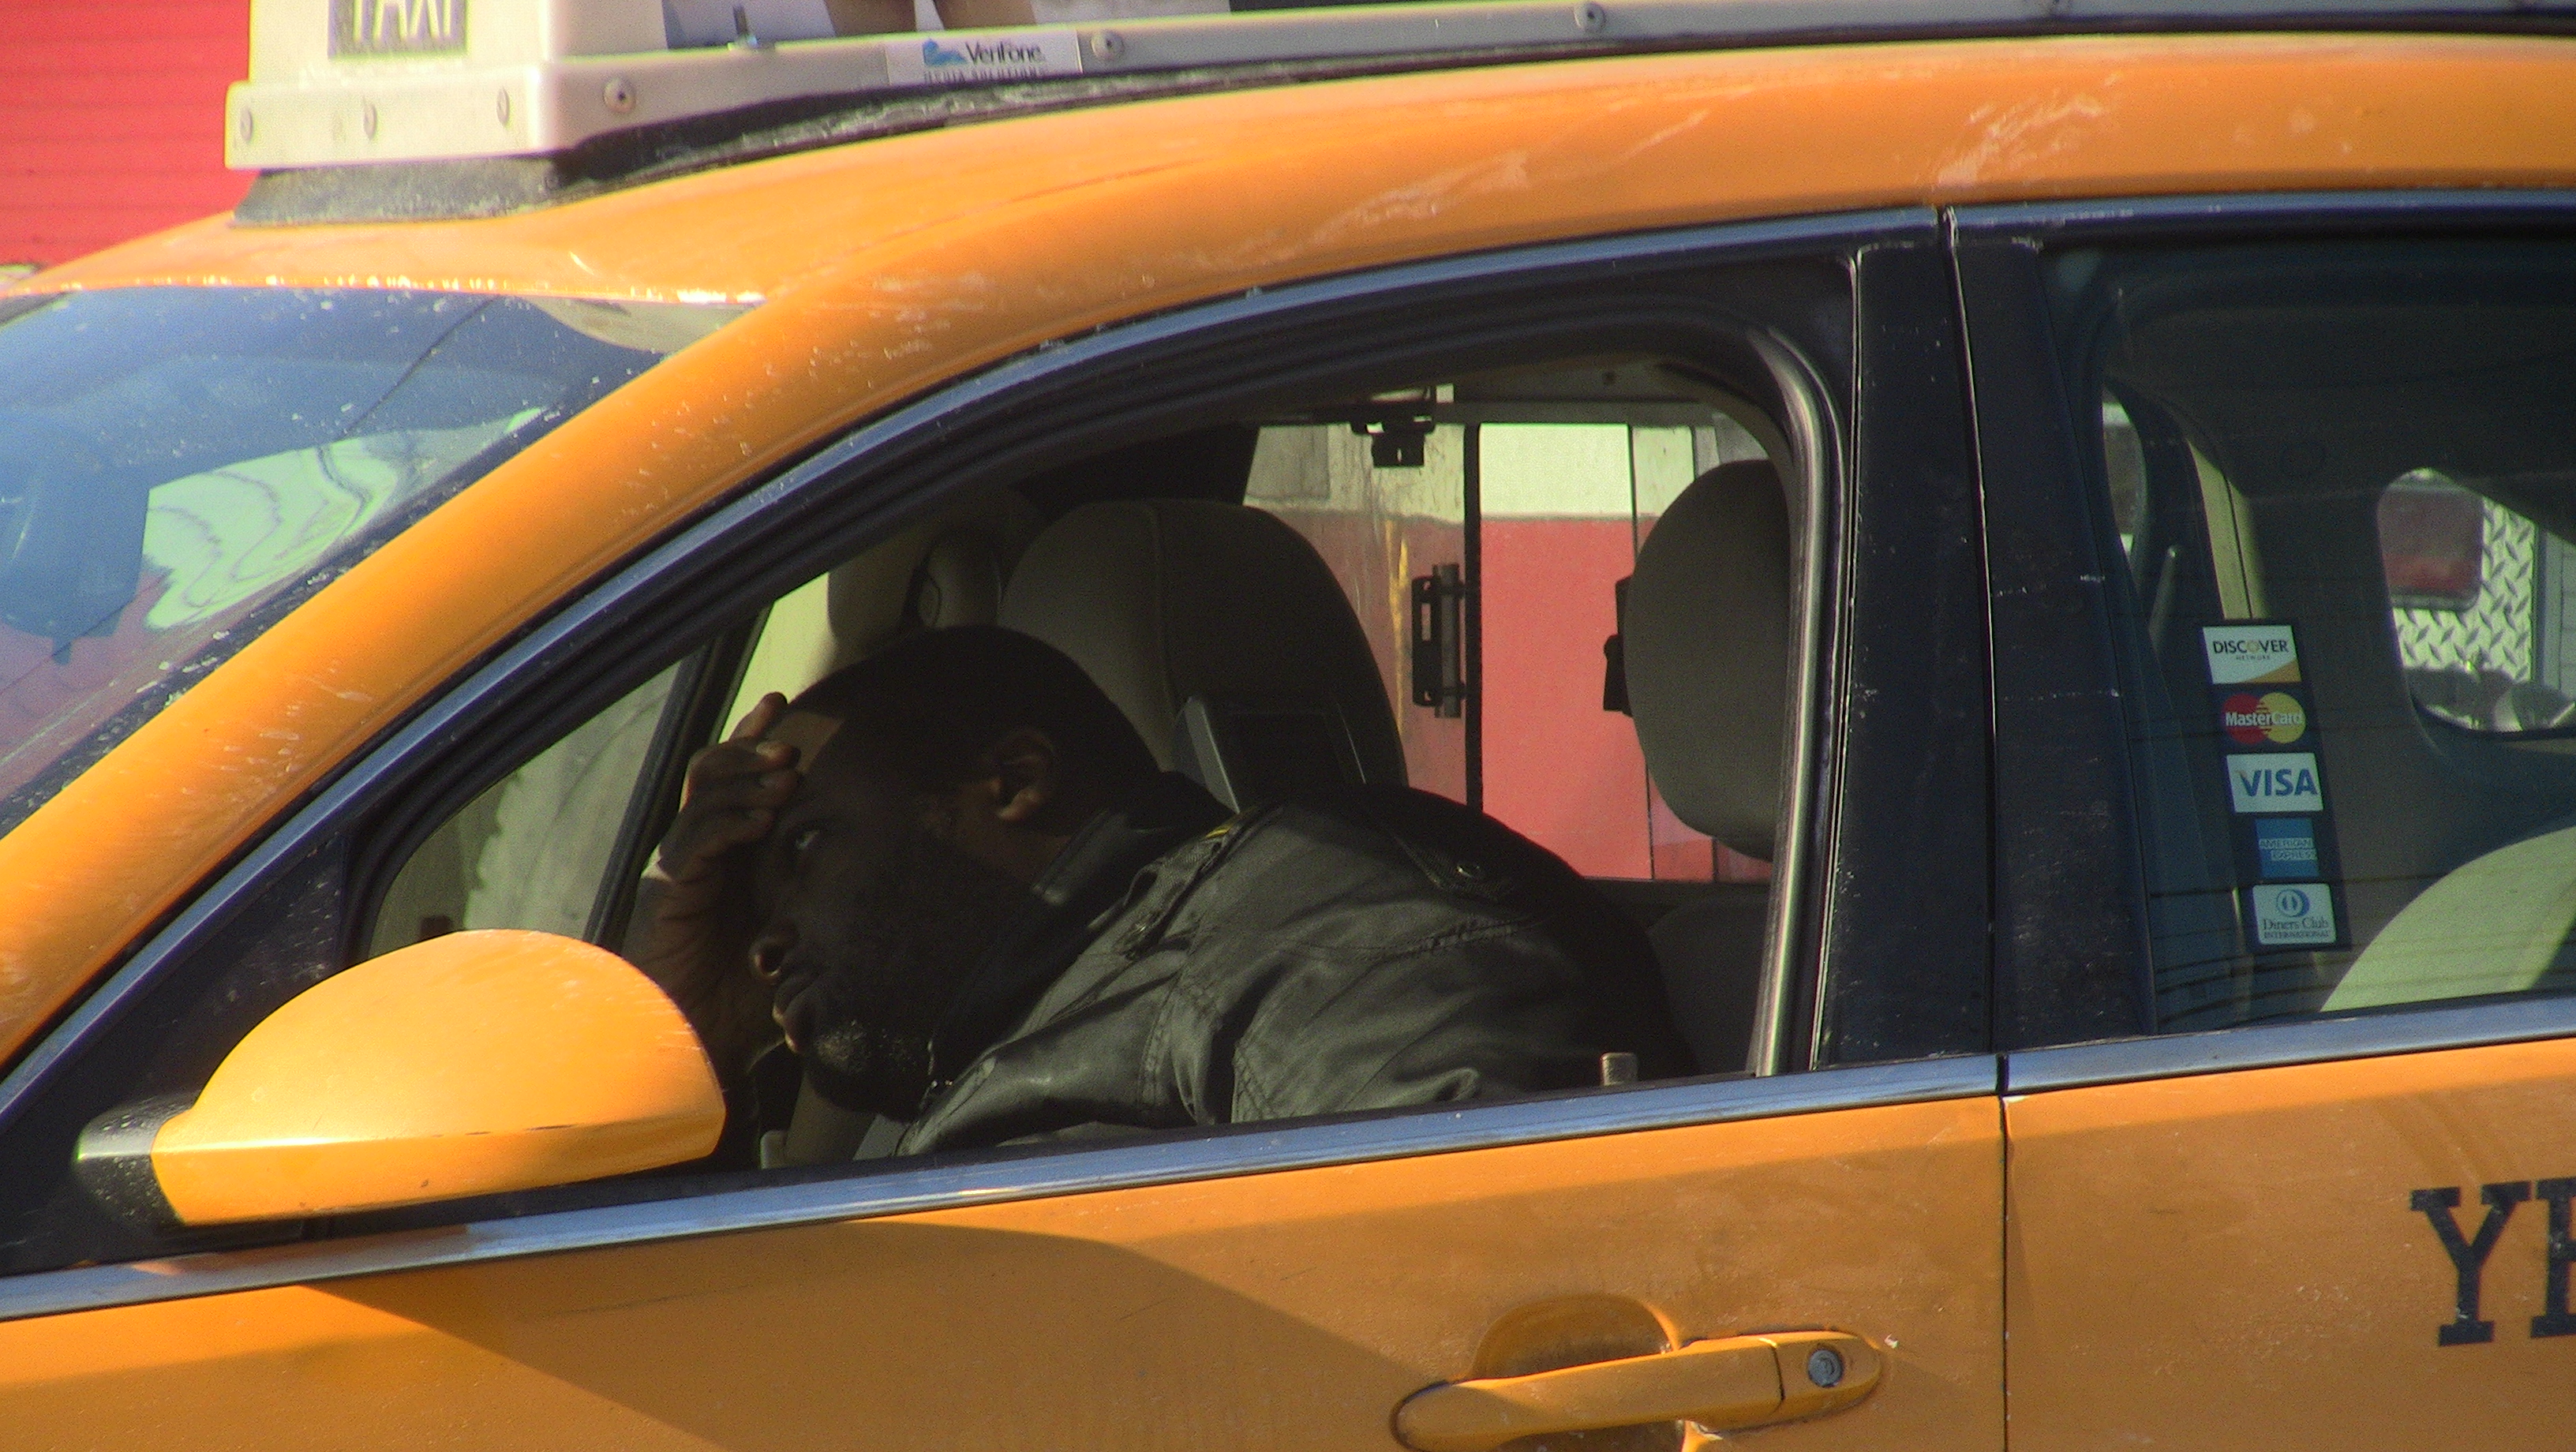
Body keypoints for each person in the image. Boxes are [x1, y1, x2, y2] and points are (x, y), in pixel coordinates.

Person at [629, 625, 1690, 1156]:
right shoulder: (1085, 1005)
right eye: (755, 911)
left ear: (1015, 783)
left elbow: (1497, 1305)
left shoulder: (1316, 947)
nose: (764, 946)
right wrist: (686, 1050)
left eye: (808, 846)